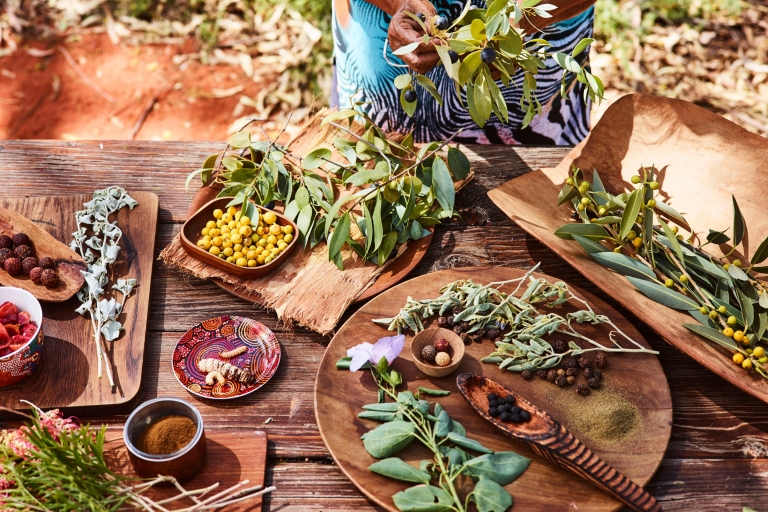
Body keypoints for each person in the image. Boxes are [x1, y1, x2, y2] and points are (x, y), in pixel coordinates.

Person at [331, 0, 597, 144]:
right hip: (381, 76)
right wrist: (396, 2)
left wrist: (524, 19)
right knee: (378, 167)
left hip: (532, 81)